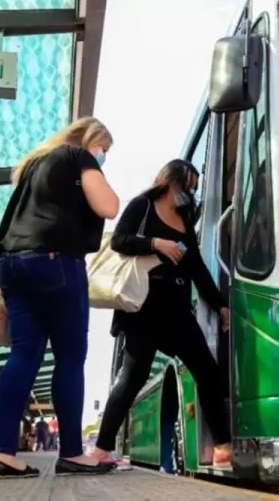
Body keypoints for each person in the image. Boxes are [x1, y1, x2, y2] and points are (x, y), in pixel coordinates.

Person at [0, 117, 121, 479]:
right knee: (70, 357)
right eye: (104, 149)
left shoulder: (36, 164)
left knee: (24, 356)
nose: (104, 156)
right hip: (55, 261)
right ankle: (73, 453)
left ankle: (2, 453)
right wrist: (95, 167)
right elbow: (109, 206)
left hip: (13, 264)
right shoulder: (78, 156)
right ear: (92, 140)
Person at [93, 159, 233, 467]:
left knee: (206, 369)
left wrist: (219, 302)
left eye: (195, 189)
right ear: (171, 183)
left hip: (177, 308)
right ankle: (102, 449)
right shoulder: (143, 205)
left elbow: (196, 266)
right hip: (143, 305)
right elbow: (119, 241)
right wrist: (156, 243)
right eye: (188, 187)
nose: (191, 194)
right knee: (133, 376)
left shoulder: (186, 217)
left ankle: (223, 445)